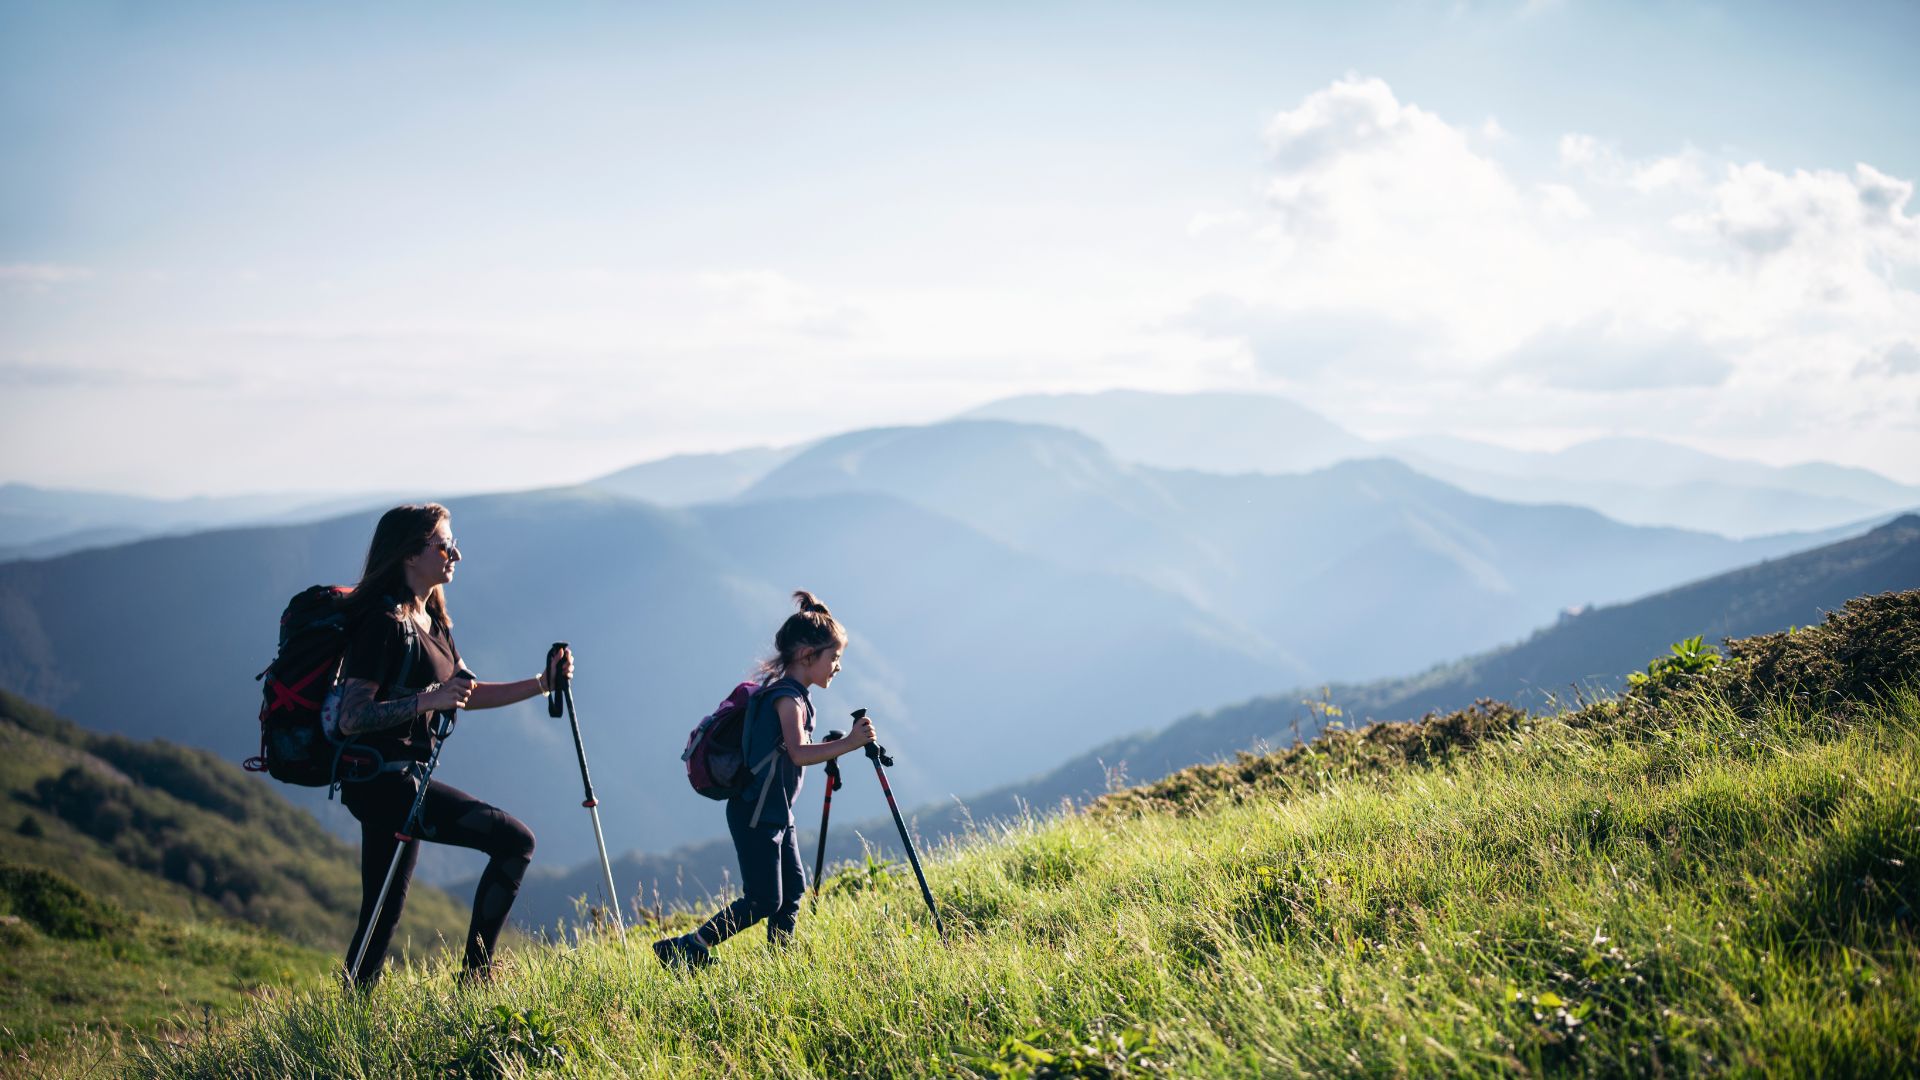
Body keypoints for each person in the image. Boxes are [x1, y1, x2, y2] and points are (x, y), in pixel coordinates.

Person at [333, 503, 572, 987]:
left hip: (402, 780)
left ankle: (349, 1016)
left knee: (383, 909)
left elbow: (464, 693)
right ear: (409, 554)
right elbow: (352, 716)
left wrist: (541, 683)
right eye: (445, 544)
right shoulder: (383, 623)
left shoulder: (432, 618)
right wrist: (428, 700)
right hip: (381, 780)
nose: (456, 553)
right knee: (515, 841)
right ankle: (476, 978)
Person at [654, 591, 876, 968]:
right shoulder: (787, 699)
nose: (837, 667)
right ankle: (689, 947)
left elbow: (793, 749)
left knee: (792, 892)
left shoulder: (795, 695)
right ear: (808, 655)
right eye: (833, 658)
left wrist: (833, 746)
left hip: (774, 811)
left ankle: (779, 963)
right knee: (762, 899)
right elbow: (797, 753)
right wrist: (850, 744)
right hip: (756, 814)